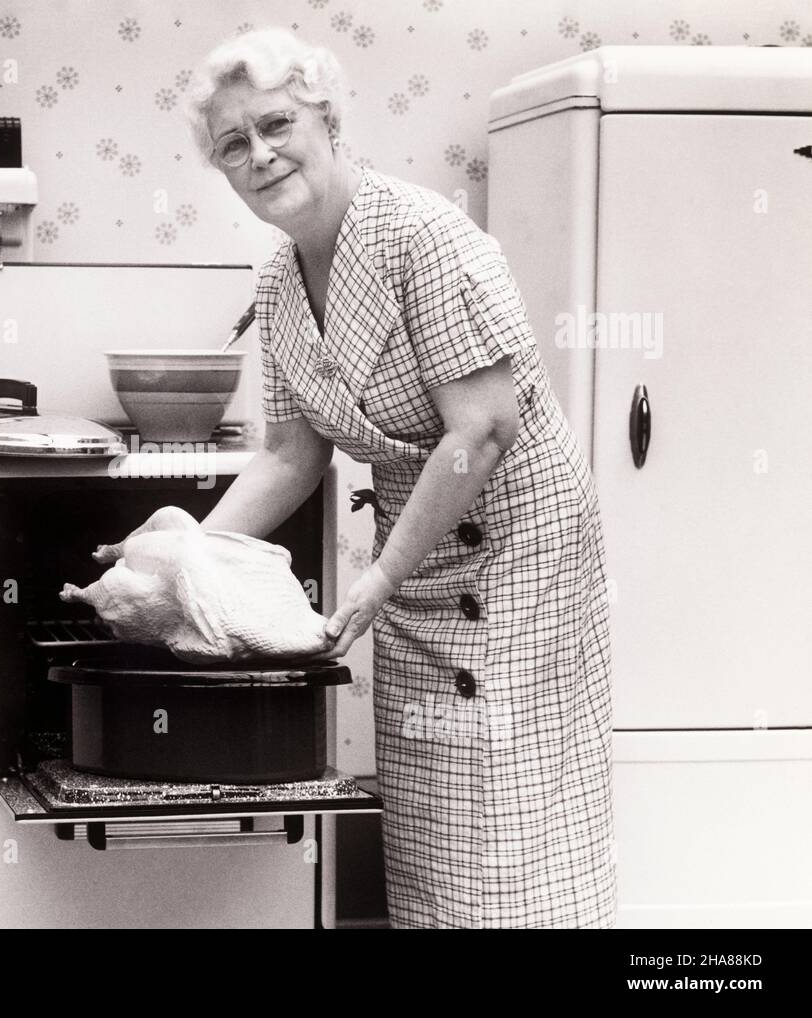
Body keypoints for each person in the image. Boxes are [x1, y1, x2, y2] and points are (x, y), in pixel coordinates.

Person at [99, 27, 616, 929]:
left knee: (516, 814)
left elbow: (483, 430)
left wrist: (378, 579)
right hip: (416, 568)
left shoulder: (423, 237)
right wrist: (190, 562)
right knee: (433, 814)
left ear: (327, 118)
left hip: (520, 558)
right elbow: (293, 454)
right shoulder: (277, 283)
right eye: (233, 144)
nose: (259, 155)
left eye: (276, 124)